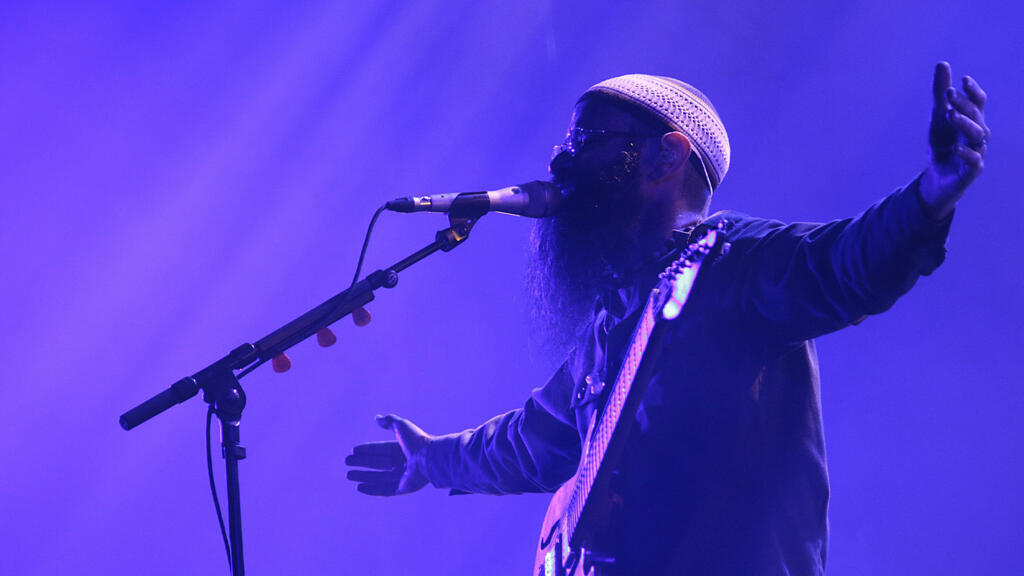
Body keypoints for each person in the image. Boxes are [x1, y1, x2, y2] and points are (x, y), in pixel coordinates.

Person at [344, 63, 989, 575]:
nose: (562, 161)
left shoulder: (732, 263)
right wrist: (431, 460)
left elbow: (844, 263)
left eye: (587, 142)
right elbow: (530, 442)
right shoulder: (612, 322)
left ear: (666, 157)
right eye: (564, 143)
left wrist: (930, 196)